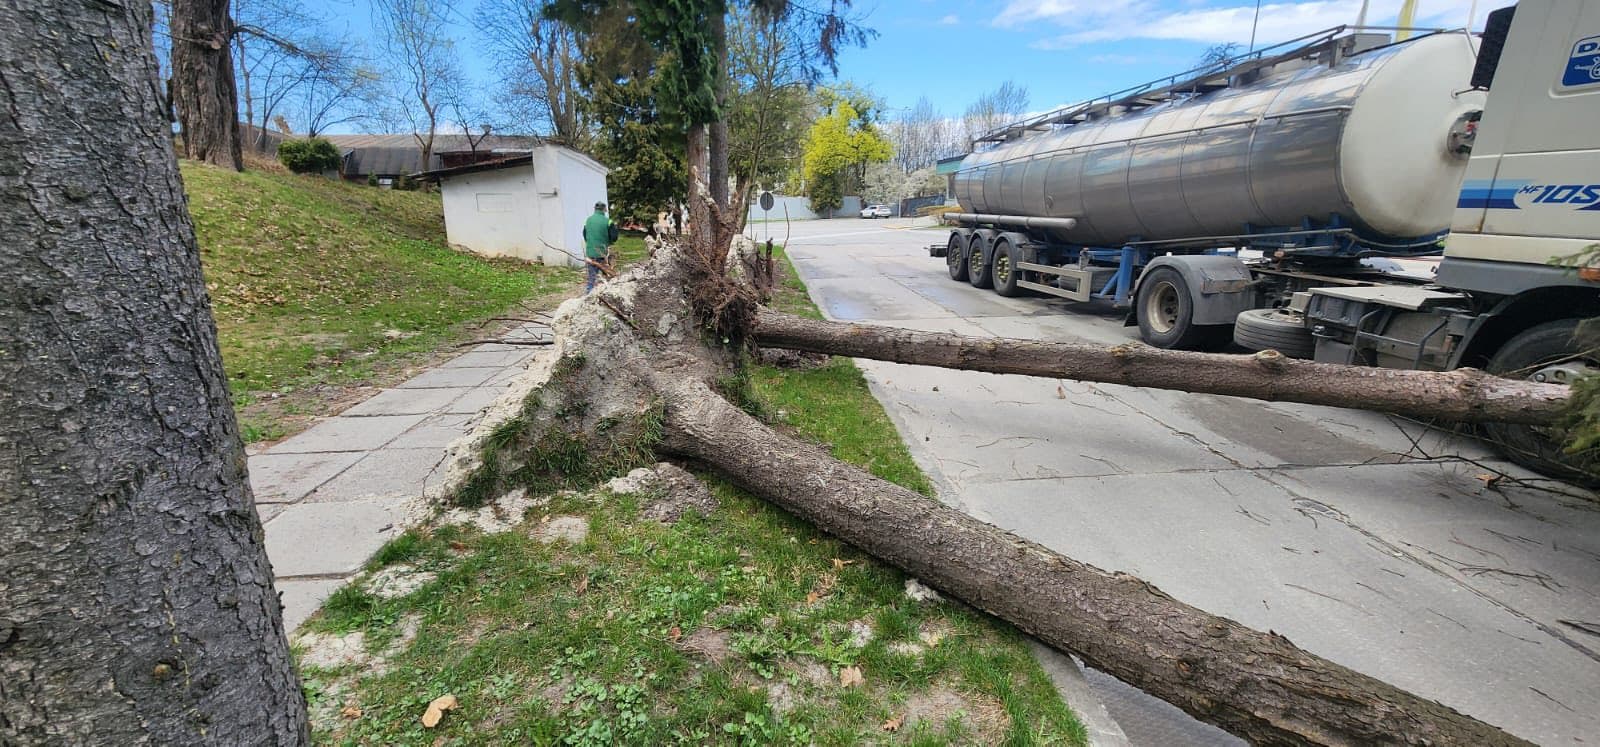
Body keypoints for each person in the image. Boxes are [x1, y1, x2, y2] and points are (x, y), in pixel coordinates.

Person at [581, 201, 614, 294]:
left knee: (592, 278)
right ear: (604, 210)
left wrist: (590, 243)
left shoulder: (588, 220)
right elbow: (614, 236)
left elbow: (584, 234)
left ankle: (588, 295)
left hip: (590, 253)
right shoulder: (608, 221)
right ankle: (609, 294)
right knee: (607, 276)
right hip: (603, 254)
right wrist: (610, 242)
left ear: (595, 209)